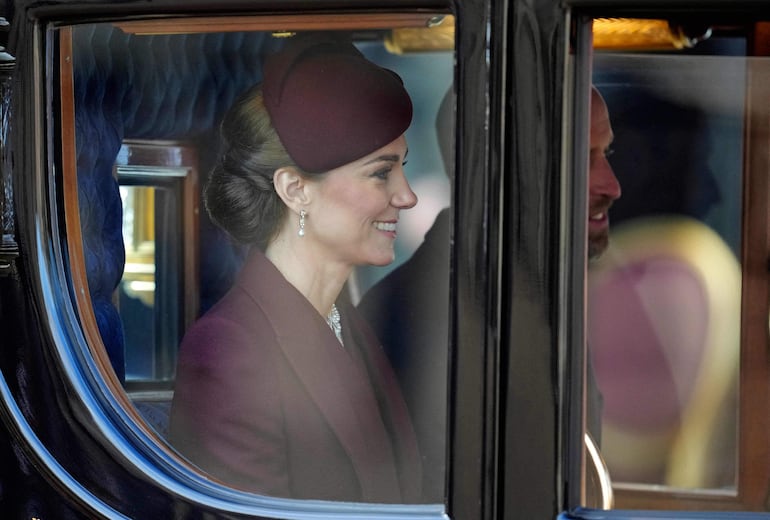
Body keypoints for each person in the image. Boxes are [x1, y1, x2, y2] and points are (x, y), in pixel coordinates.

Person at [168, 34, 423, 504]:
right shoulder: (229, 350)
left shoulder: (350, 324)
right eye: (381, 172)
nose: (406, 196)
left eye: (402, 169)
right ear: (296, 190)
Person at [357, 85, 621, 501]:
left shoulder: (534, 294)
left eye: (606, 155)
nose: (612, 185)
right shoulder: (419, 318)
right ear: (502, 179)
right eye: (583, 159)